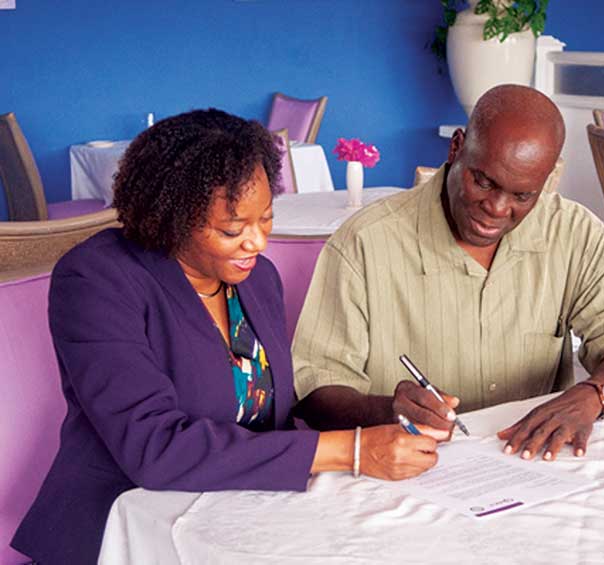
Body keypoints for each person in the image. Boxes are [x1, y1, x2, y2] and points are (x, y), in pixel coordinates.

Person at [12, 109, 441, 565]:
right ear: (172, 216)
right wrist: (350, 451)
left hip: (237, 520)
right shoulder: (98, 280)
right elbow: (155, 447)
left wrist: (385, 413)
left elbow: (268, 410)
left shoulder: (257, 281)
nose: (257, 243)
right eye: (232, 230)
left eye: (266, 220)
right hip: (123, 529)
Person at [292, 85, 604, 461]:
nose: (497, 209)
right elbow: (315, 393)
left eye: (522, 196)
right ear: (456, 149)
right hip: (406, 470)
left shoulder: (574, 233)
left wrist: (593, 396)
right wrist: (387, 409)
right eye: (483, 181)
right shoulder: (365, 242)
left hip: (532, 466)